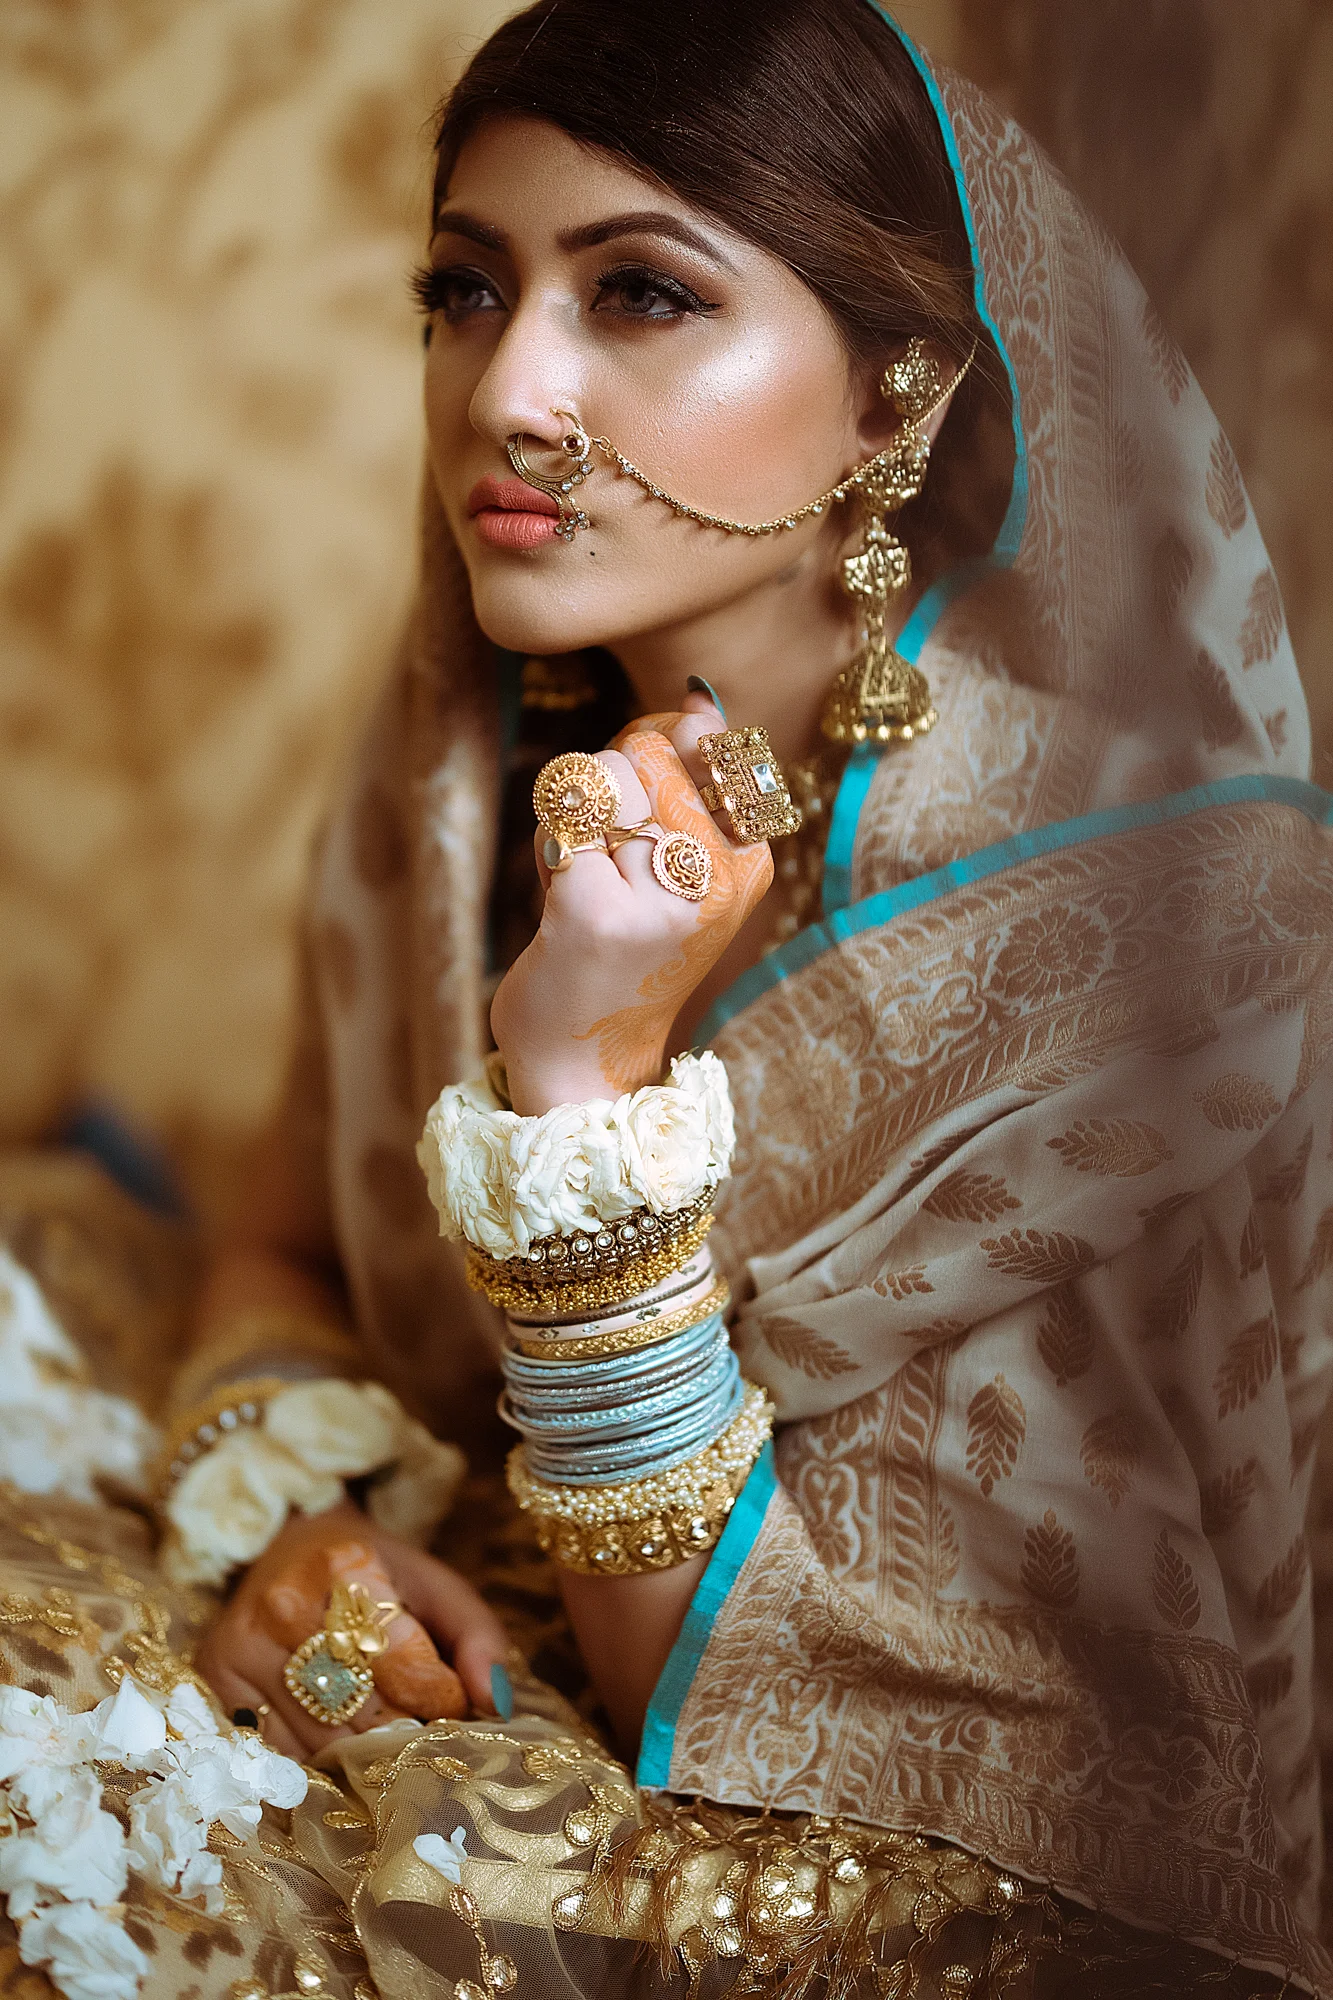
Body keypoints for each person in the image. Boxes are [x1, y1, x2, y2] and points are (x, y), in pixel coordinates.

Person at [2, 0, 1331, 1994]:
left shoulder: (1131, 904)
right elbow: (276, 1219)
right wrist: (320, 1530)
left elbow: (714, 1674)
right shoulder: (473, 759)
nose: (506, 390)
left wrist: (585, 1067)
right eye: (465, 288)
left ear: (895, 403)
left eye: (640, 293)